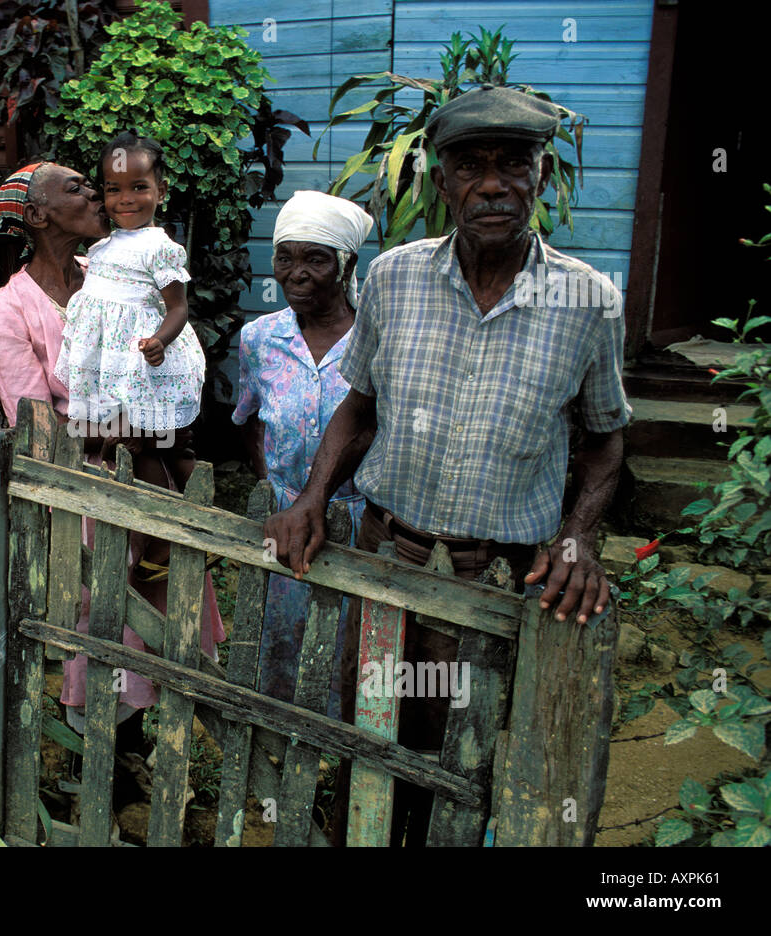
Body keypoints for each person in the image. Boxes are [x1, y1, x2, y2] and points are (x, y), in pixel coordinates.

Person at [263, 85, 631, 844]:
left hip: (496, 578)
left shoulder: (589, 301)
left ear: (540, 175)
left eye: (514, 164)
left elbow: (604, 439)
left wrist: (578, 536)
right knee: (369, 729)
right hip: (387, 559)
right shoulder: (394, 279)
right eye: (470, 165)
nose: (492, 184)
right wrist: (312, 497)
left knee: (462, 754)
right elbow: (358, 406)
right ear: (441, 181)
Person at [0, 162, 224, 753]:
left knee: (163, 600)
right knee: (104, 616)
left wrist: (162, 410)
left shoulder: (118, 270)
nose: (95, 193)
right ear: (35, 216)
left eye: (94, 184)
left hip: (152, 472)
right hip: (89, 495)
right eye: (76, 188)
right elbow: (37, 426)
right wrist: (124, 429)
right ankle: (103, 761)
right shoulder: (4, 317)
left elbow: (175, 338)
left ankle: (152, 749)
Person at [231, 191, 374, 714]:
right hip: (286, 518)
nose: (298, 273)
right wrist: (275, 490)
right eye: (285, 258)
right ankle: (280, 731)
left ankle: (345, 742)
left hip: (361, 521)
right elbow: (248, 419)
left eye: (317, 258)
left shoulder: (375, 339)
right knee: (282, 634)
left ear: (347, 264)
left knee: (353, 644)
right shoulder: (260, 338)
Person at [54, 132, 206, 510]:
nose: (125, 200)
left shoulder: (160, 248)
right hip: (114, 368)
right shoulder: (102, 246)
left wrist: (160, 341)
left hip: (145, 365)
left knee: (159, 444)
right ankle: (154, 530)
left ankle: (186, 515)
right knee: (133, 446)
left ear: (161, 189)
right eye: (113, 189)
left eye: (139, 187)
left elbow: (178, 308)